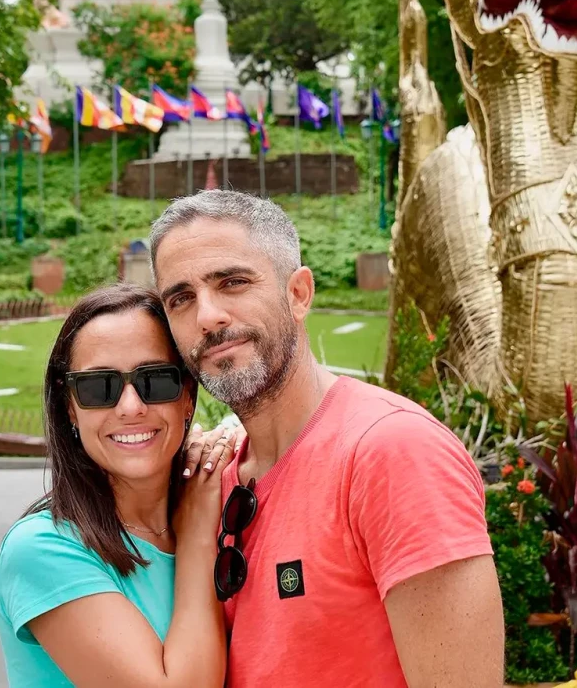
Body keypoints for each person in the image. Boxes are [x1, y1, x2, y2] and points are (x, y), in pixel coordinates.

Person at [150, 190, 505, 688]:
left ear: (298, 294)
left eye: (232, 282)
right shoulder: (218, 478)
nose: (207, 316)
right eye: (181, 298)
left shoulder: (392, 452)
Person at [0, 284, 236, 688]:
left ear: (187, 396)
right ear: (69, 405)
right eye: (98, 387)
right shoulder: (42, 549)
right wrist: (196, 534)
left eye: (155, 381)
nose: (130, 406)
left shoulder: (219, 503)